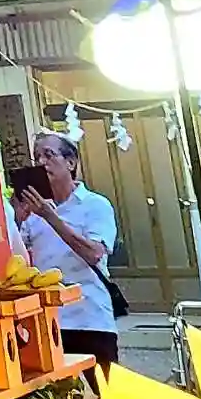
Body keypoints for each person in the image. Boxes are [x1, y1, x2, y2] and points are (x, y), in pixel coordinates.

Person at [18, 131, 120, 370]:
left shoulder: (95, 204)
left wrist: (51, 217)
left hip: (90, 318)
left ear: (71, 162)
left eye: (49, 155)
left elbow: (94, 254)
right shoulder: (34, 210)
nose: (41, 162)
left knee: (102, 389)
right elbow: (17, 256)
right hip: (49, 321)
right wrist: (18, 219)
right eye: (37, 157)